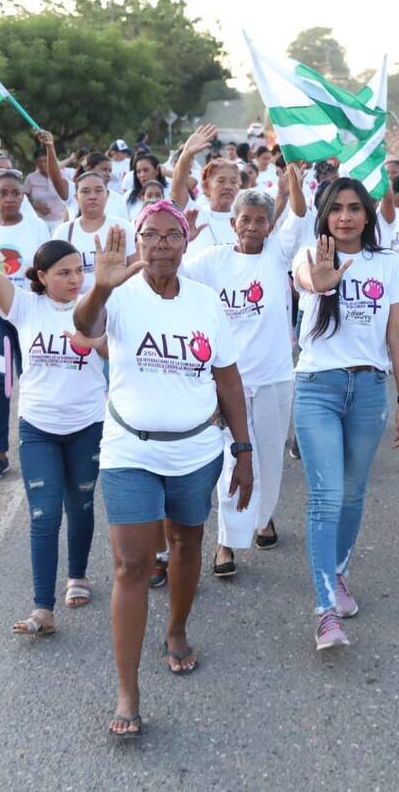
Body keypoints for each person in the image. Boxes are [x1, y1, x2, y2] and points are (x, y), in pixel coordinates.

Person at [73, 203, 252, 739]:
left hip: (196, 452)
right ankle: (128, 692)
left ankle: (176, 628)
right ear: (138, 242)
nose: (161, 246)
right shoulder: (119, 294)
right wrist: (100, 289)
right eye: (151, 235)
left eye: (173, 236)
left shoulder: (205, 301)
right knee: (130, 564)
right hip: (130, 448)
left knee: (186, 545)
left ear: (186, 242)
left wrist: (243, 450)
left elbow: (228, 379)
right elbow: (85, 327)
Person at [0, 221, 107, 633]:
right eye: (63, 272)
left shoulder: (95, 306)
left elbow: (115, 347)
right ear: (41, 276)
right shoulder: (23, 306)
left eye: (78, 271)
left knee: (81, 505)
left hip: (87, 425)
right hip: (39, 428)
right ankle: (43, 608)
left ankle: (77, 575)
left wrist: (95, 337)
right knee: (44, 514)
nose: (74, 280)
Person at [291, 177, 399, 650]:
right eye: (336, 208)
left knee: (353, 493)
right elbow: (306, 279)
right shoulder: (308, 255)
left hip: (368, 389)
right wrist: (319, 282)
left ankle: (338, 571)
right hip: (317, 388)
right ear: (324, 214)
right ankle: (325, 610)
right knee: (327, 497)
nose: (345, 216)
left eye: (354, 208)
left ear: (367, 215)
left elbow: (398, 332)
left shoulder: (388, 264)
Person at [183, 168, 307, 577]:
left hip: (274, 378)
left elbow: (299, 216)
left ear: (270, 225)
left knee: (269, 459)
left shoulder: (277, 254)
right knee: (232, 461)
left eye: (260, 220)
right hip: (227, 383)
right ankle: (227, 542)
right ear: (233, 223)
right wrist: (183, 239)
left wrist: (294, 183)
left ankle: (262, 518)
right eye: (245, 219)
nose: (252, 226)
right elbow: (175, 276)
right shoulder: (214, 259)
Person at [0, 169, 51, 481]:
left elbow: (46, 269)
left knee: (32, 378)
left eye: (15, 193)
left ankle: (39, 447)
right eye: (2, 193)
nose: (9, 199)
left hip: (27, 310)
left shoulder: (37, 227)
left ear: (23, 196)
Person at [52, 171, 137, 294]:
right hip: (76, 301)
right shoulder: (63, 232)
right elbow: (55, 273)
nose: (92, 196)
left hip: (117, 299)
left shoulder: (123, 228)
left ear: (107, 195)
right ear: (76, 197)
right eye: (85, 191)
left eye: (98, 191)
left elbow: (136, 272)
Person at [22, 131, 70, 229]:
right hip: (39, 222)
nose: (43, 164)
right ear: (35, 163)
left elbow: (69, 198)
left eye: (45, 160)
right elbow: (23, 197)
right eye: (39, 162)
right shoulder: (31, 178)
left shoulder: (61, 175)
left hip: (60, 222)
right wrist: (36, 207)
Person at [124, 153, 168, 224]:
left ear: (157, 171)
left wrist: (167, 173)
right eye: (138, 171)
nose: (142, 175)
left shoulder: (169, 191)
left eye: (146, 170)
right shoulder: (128, 195)